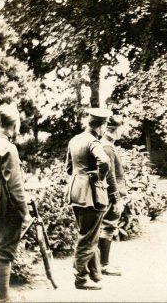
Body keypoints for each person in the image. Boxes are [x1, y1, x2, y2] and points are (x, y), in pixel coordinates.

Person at [0, 104, 32, 302]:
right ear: (15, 124)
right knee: (5, 252)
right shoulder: (8, 148)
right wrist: (25, 212)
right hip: (7, 205)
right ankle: (2, 299)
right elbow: (15, 185)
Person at [66, 108, 112, 290]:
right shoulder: (93, 142)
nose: (105, 130)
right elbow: (105, 162)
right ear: (100, 126)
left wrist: (82, 174)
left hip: (75, 193)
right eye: (105, 126)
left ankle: (95, 273)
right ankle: (80, 278)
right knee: (88, 238)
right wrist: (98, 176)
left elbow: (69, 168)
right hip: (92, 195)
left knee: (86, 232)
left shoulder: (74, 140)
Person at [98, 115, 126, 276]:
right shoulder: (107, 147)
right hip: (110, 194)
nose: (122, 131)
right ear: (112, 130)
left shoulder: (107, 145)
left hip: (109, 193)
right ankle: (104, 265)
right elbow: (110, 176)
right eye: (120, 128)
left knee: (107, 226)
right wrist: (116, 199)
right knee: (108, 226)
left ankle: (101, 263)